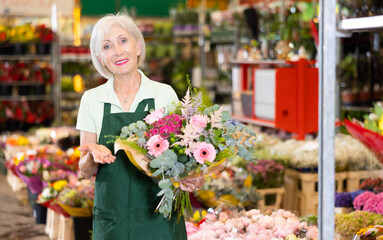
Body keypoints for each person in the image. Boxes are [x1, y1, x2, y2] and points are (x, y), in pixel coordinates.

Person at [76, 12, 203, 240]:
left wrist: (194, 176)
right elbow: (84, 171)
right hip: (113, 220)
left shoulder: (163, 94)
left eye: (123, 40)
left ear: (137, 46)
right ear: (101, 58)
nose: (117, 51)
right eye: (107, 46)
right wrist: (90, 157)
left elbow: (184, 156)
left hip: (160, 219)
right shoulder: (92, 99)